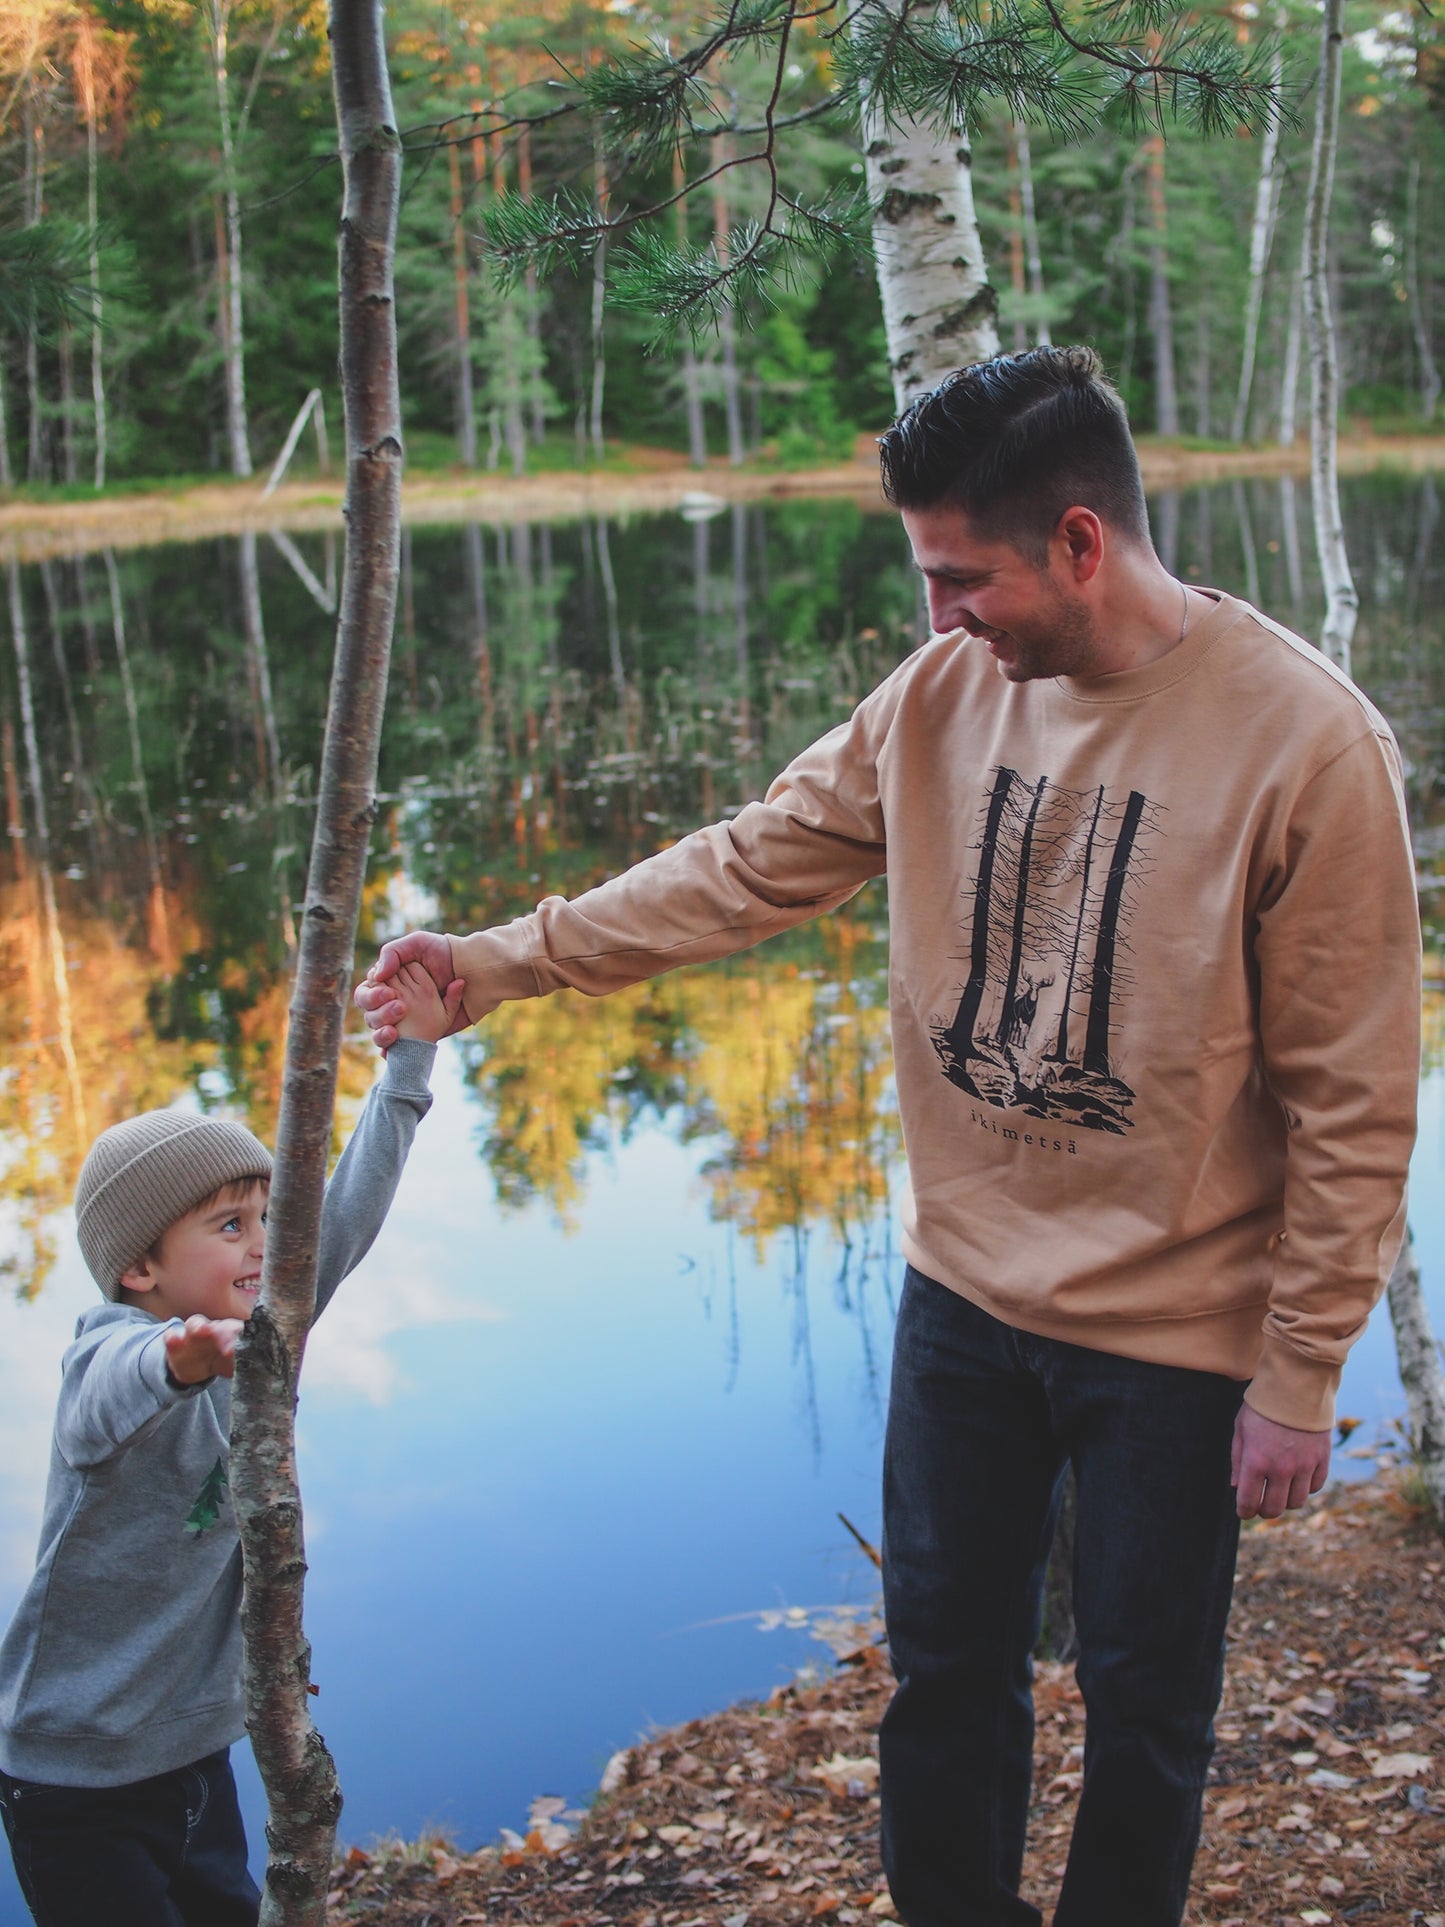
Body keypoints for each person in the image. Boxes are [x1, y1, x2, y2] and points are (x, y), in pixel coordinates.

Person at [355, 347, 1421, 1927]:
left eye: (958, 576)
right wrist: (500, 961)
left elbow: (1354, 1094)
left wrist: (1302, 1367)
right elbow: (745, 863)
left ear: (1079, 540)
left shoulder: (1306, 746)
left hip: (1179, 1341)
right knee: (941, 1676)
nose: (938, 617)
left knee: (1146, 1713)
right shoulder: (942, 697)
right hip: (963, 1308)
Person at [0, 962, 464, 1927]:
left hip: (192, 1746)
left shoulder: (268, 1323)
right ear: (139, 1267)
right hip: (74, 1768)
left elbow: (341, 1218)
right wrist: (178, 1361)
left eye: (261, 1216)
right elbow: (99, 1403)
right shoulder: (115, 1353)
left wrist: (409, 1062)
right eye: (228, 1224)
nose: (262, 1243)